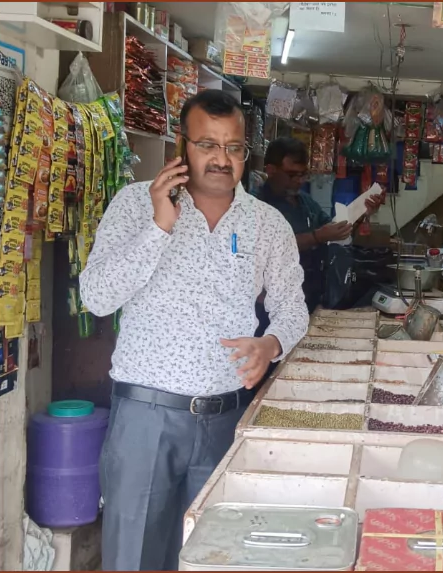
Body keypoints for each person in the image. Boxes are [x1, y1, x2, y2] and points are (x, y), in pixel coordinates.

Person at [79, 90, 309, 571]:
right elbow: (96, 297)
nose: (222, 159)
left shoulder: (267, 225)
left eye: (234, 147)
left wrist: (271, 344)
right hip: (145, 417)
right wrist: (160, 226)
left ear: (247, 152)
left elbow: (293, 309)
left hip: (225, 419)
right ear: (183, 147)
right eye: (208, 144)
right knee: (134, 556)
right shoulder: (134, 205)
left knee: (214, 557)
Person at [257, 137, 385, 314]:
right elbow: (266, 247)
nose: (300, 181)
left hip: (308, 297)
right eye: (292, 174)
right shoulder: (256, 204)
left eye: (304, 174)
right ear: (271, 170)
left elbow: (336, 232)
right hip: (270, 302)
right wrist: (316, 237)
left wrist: (361, 213)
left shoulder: (304, 202)